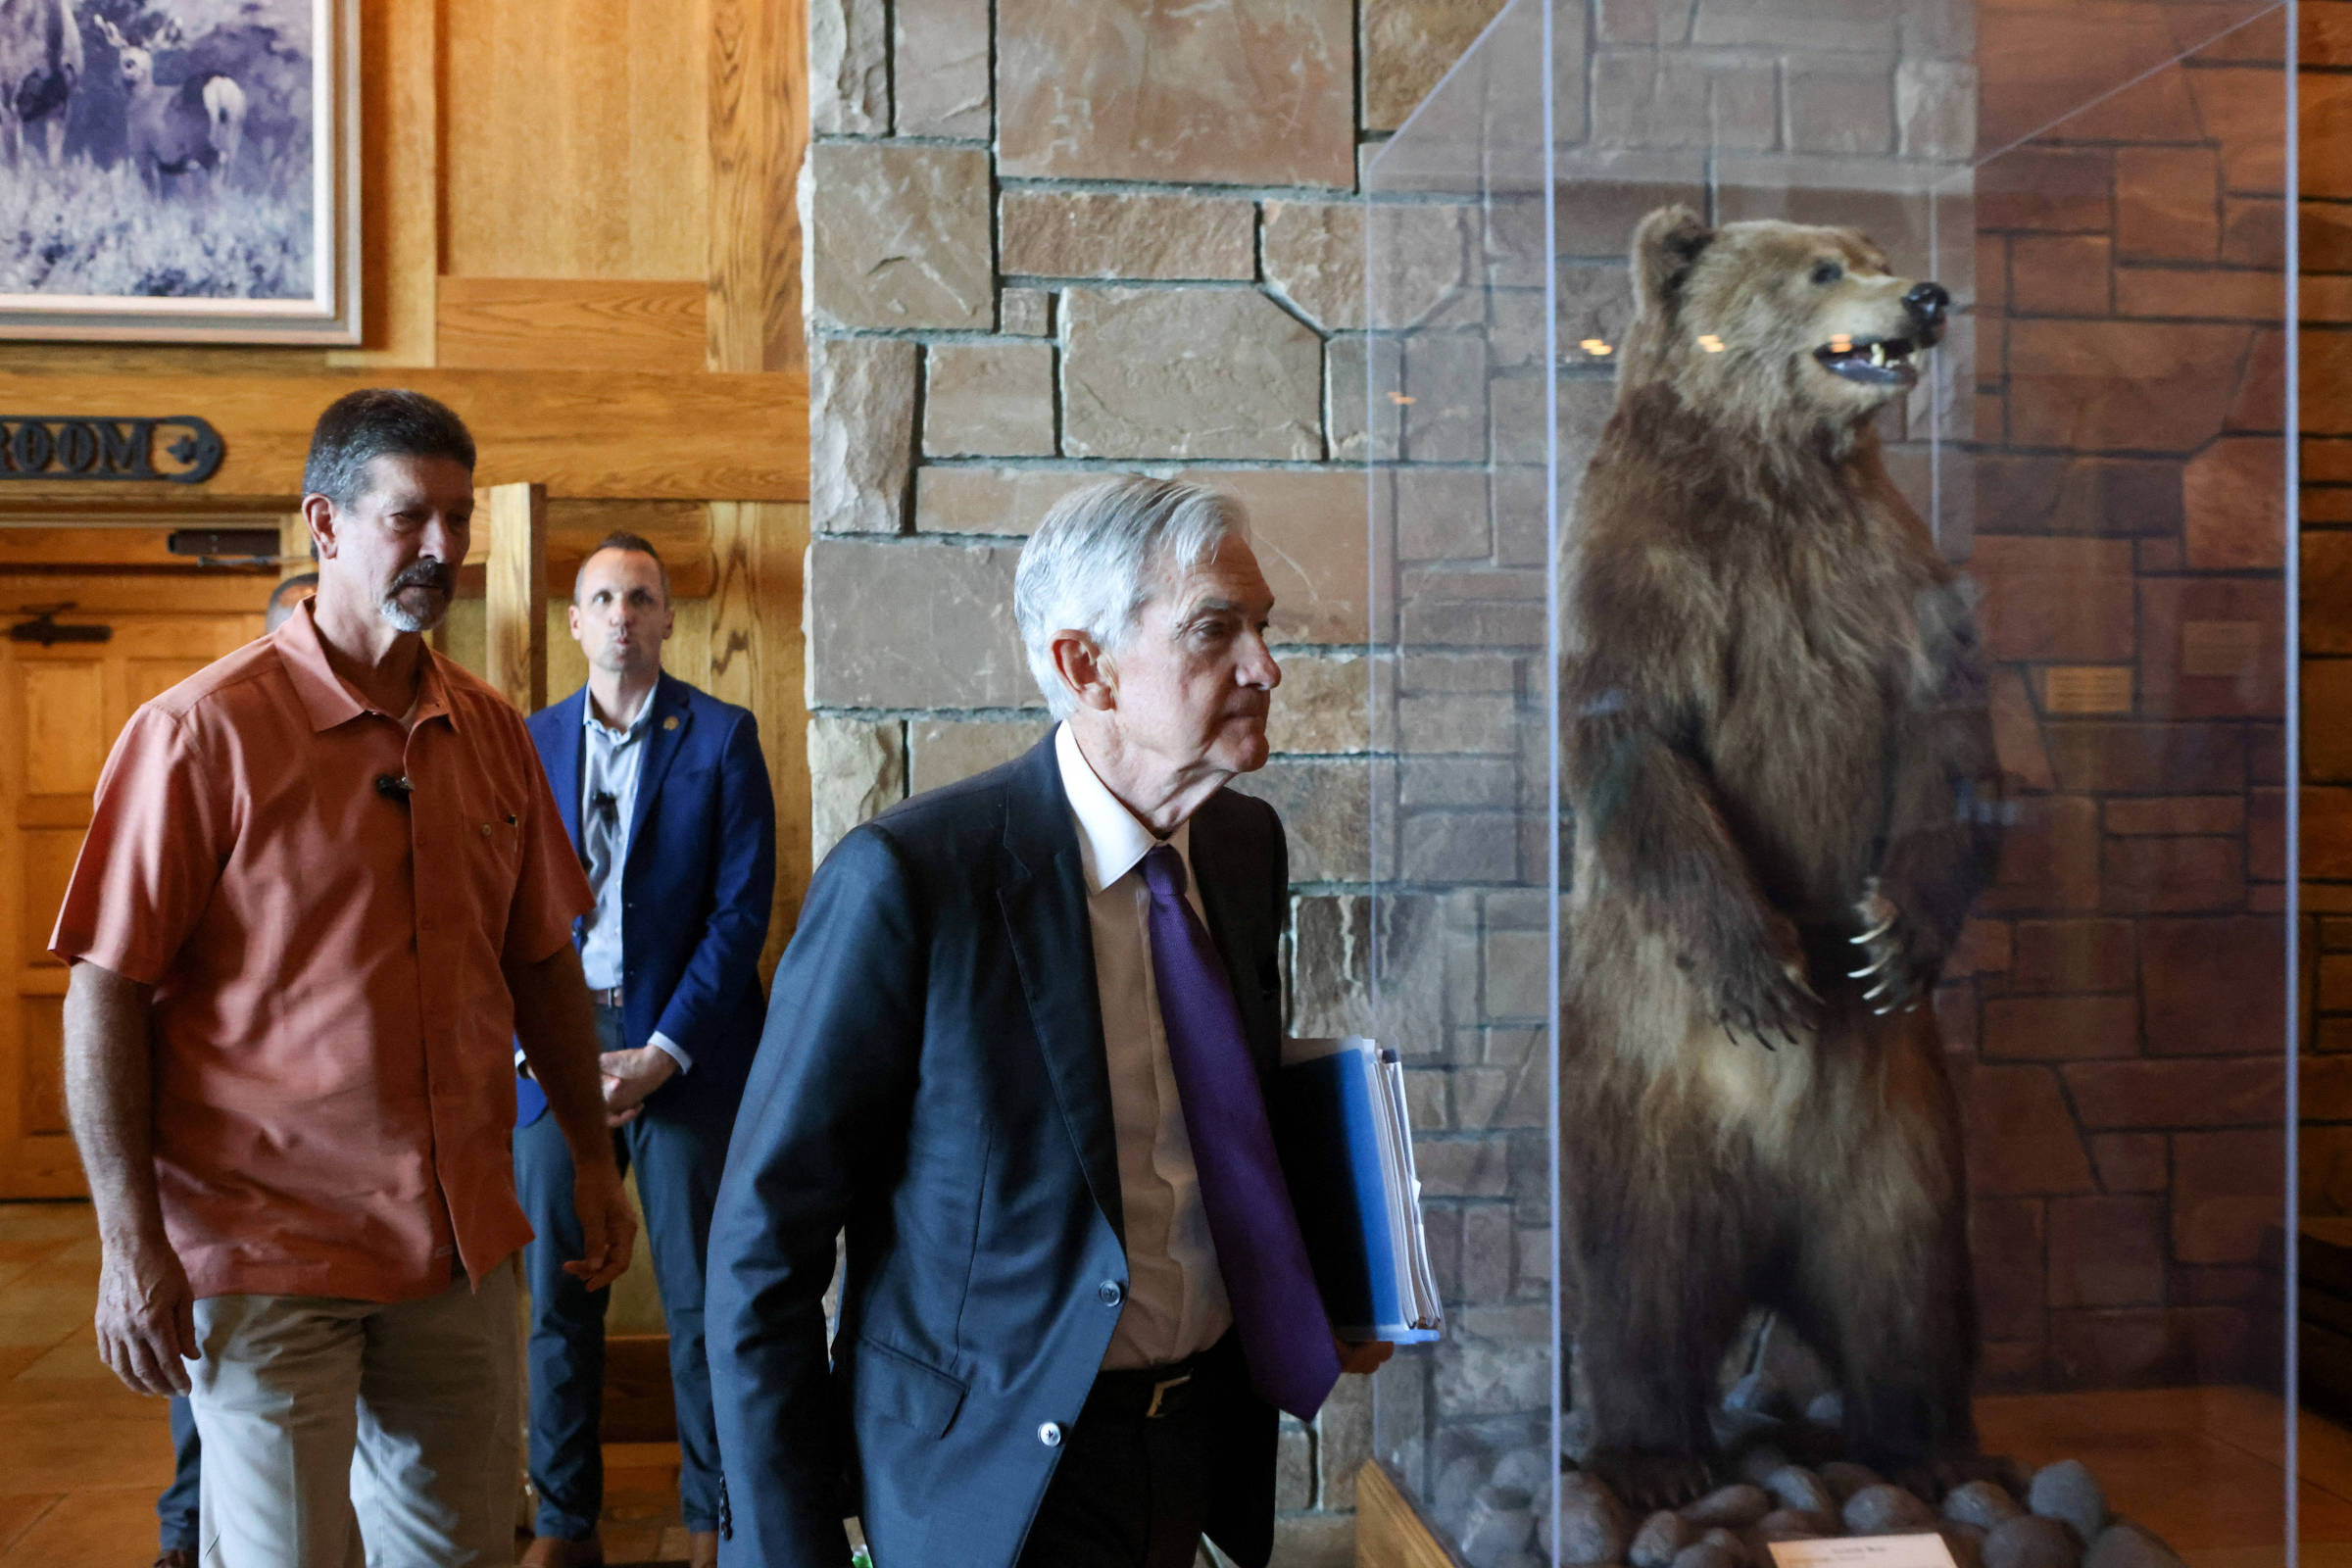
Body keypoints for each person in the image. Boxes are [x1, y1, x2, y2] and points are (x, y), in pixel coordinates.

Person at [707, 476, 1391, 1568]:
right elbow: (761, 1246)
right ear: (1086, 666)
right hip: (986, 1482)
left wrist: (1336, 1286)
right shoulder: (910, 880)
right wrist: (789, 1552)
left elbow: (1225, 1117)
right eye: (1218, 629)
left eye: (1263, 629)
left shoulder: (1242, 851)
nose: (1266, 666)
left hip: (1194, 1452)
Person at [55, 388, 637, 1568]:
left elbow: (540, 963)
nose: (442, 549)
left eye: (458, 520)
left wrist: (587, 1152)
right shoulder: (198, 734)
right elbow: (105, 990)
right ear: (325, 522)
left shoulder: (492, 733)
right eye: (409, 517)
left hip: (458, 1247)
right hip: (265, 1250)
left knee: (462, 1555)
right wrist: (129, 1241)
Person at [515, 532, 776, 1568]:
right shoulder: (525, 742)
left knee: (705, 1297)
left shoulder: (720, 736)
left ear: (670, 620)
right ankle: (565, 1524)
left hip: (687, 1047)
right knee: (556, 1295)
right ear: (574, 623)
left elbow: (739, 912)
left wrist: (664, 1052)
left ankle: (714, 1519)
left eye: (642, 597)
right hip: (556, 1039)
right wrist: (543, 1054)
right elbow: (501, 912)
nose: (622, 613)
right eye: (602, 598)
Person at [148, 567, 327, 1568]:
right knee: (211, 1392)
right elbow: (120, 987)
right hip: (228, 1182)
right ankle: (183, 1529)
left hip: (351, 1197)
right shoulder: (194, 746)